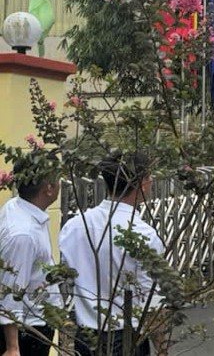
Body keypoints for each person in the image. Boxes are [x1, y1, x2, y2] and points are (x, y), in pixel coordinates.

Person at [59, 153, 165, 356]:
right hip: (127, 336)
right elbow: (152, 304)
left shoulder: (74, 226)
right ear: (142, 183)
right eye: (149, 177)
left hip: (85, 335)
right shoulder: (144, 235)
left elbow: (66, 276)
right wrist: (162, 348)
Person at [0, 155, 62, 356]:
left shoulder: (17, 206)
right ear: (49, 189)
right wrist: (12, 347)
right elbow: (11, 290)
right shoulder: (24, 235)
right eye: (58, 179)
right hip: (27, 331)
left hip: (33, 323)